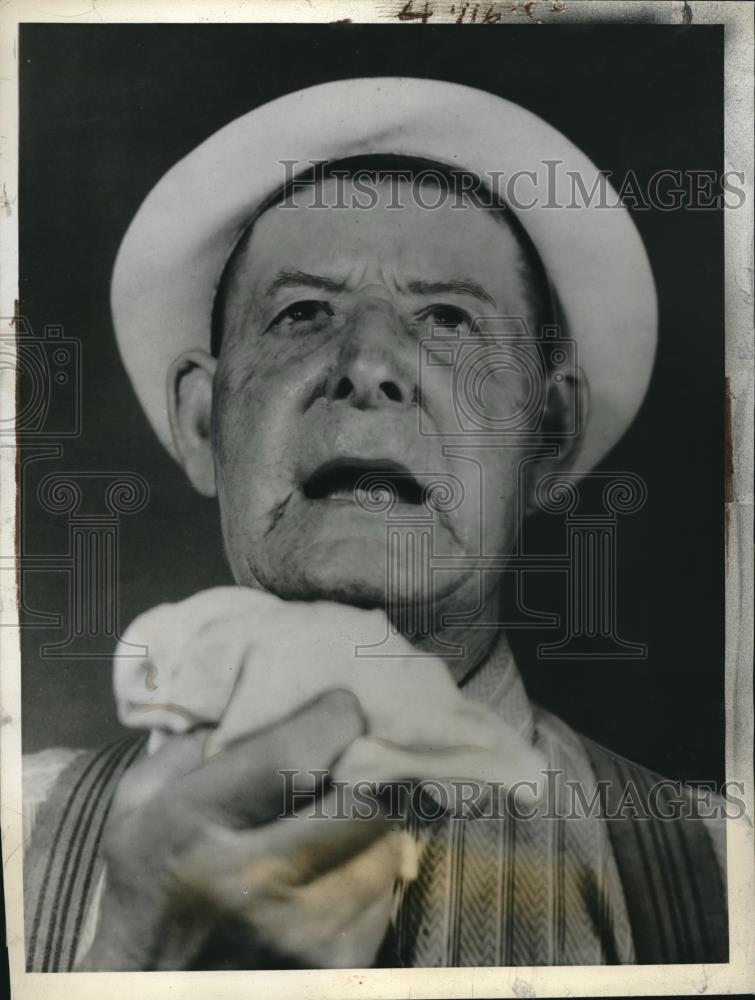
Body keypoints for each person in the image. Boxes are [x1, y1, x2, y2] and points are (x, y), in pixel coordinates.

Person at [22, 77, 728, 971]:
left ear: (545, 436)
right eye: (303, 313)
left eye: (446, 318)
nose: (366, 365)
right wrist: (135, 956)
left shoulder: (723, 870)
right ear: (204, 423)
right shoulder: (22, 832)